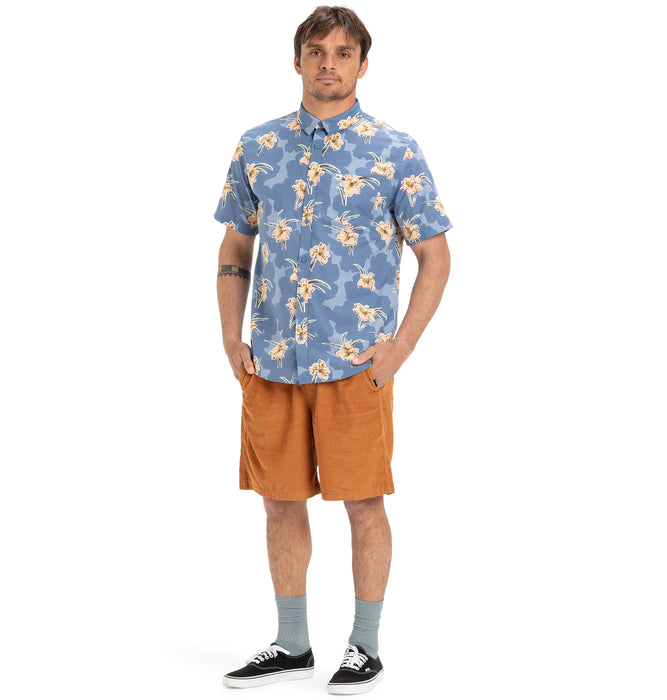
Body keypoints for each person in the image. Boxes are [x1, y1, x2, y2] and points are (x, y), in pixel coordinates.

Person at [214, 5, 452, 694]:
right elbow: (235, 245)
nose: (328, 63)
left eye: (343, 53)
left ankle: (364, 647)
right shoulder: (257, 146)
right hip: (271, 363)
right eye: (316, 51)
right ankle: (291, 644)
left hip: (356, 366)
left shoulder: (394, 150)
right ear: (297, 61)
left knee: (363, 503)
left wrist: (398, 350)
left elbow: (436, 257)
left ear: (362, 65)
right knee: (278, 503)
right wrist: (230, 336)